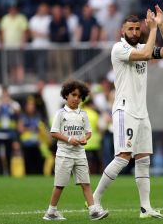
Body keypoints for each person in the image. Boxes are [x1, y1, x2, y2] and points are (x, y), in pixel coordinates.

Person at [92, 5, 163, 219]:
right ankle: (94, 201)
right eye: (131, 29)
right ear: (122, 31)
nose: (135, 33)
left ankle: (145, 208)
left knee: (143, 159)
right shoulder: (119, 49)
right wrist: (153, 29)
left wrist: (161, 26)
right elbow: (147, 53)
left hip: (141, 112)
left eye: (138, 29)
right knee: (122, 158)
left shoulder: (140, 45)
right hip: (124, 110)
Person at [43, 80, 108, 221]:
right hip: (64, 154)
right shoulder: (60, 114)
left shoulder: (83, 114)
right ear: (66, 95)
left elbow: (89, 132)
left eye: (79, 96)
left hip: (80, 153)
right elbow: (54, 132)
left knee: (86, 183)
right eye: (73, 95)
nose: (76, 98)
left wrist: (85, 138)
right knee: (60, 185)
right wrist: (69, 139)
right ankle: (51, 211)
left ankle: (93, 211)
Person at [0, 85, 21, 175]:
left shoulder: (13, 103)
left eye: (6, 93)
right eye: (3, 93)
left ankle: (8, 172)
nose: (5, 95)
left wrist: (9, 102)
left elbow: (18, 111)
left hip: (9, 134)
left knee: (8, 154)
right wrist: (0, 104)